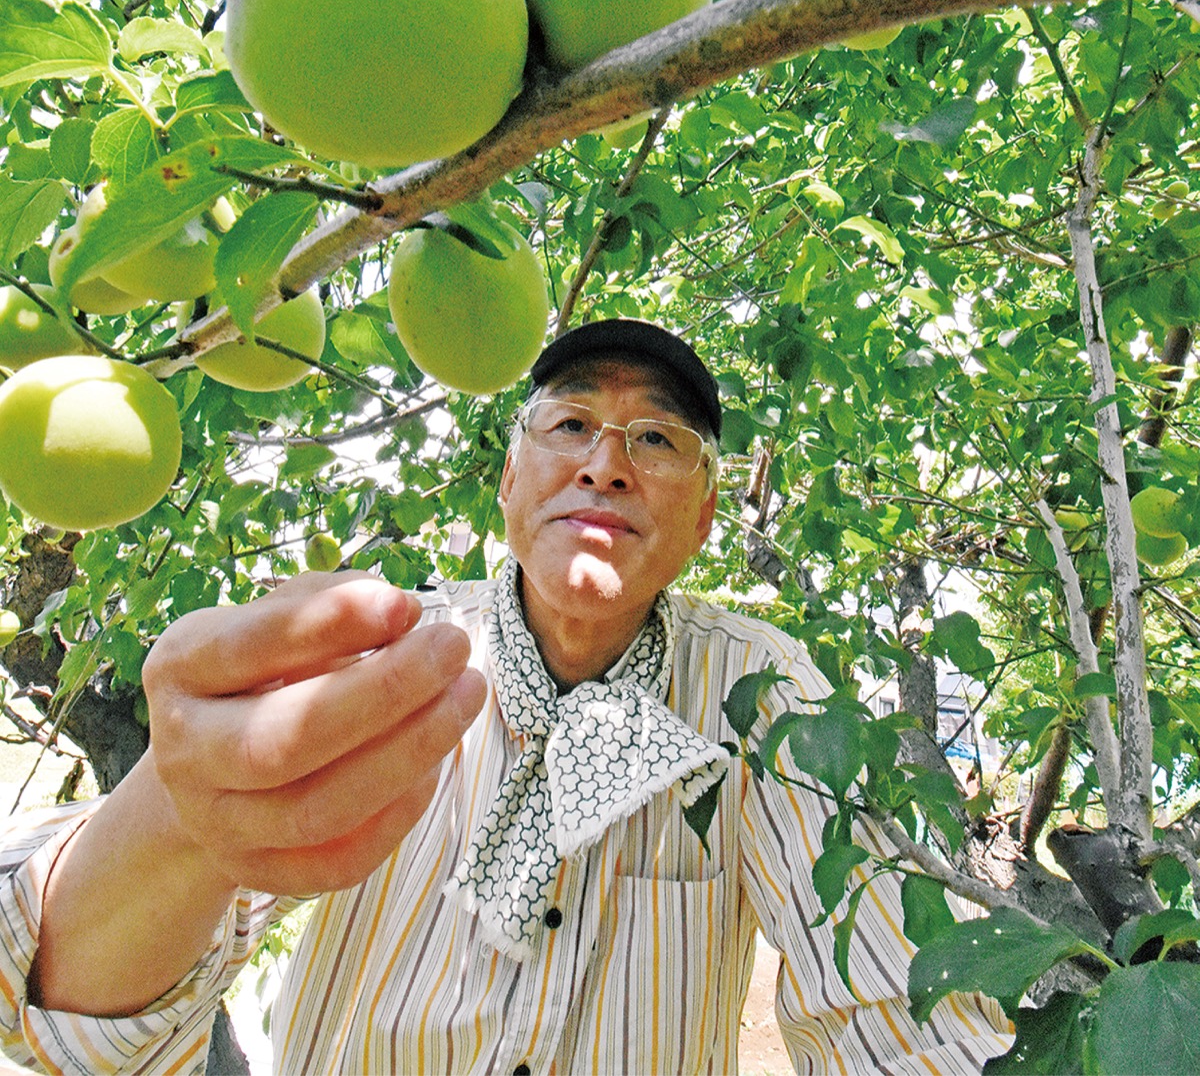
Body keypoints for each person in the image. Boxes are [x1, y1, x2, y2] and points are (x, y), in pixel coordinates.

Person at [0, 319, 1011, 1074]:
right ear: (510, 479)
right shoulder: (390, 658)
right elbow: (74, 1016)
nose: (606, 463)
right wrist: (176, 820)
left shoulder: (760, 694)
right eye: (571, 423)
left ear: (705, 516)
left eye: (657, 440)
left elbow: (899, 1009)